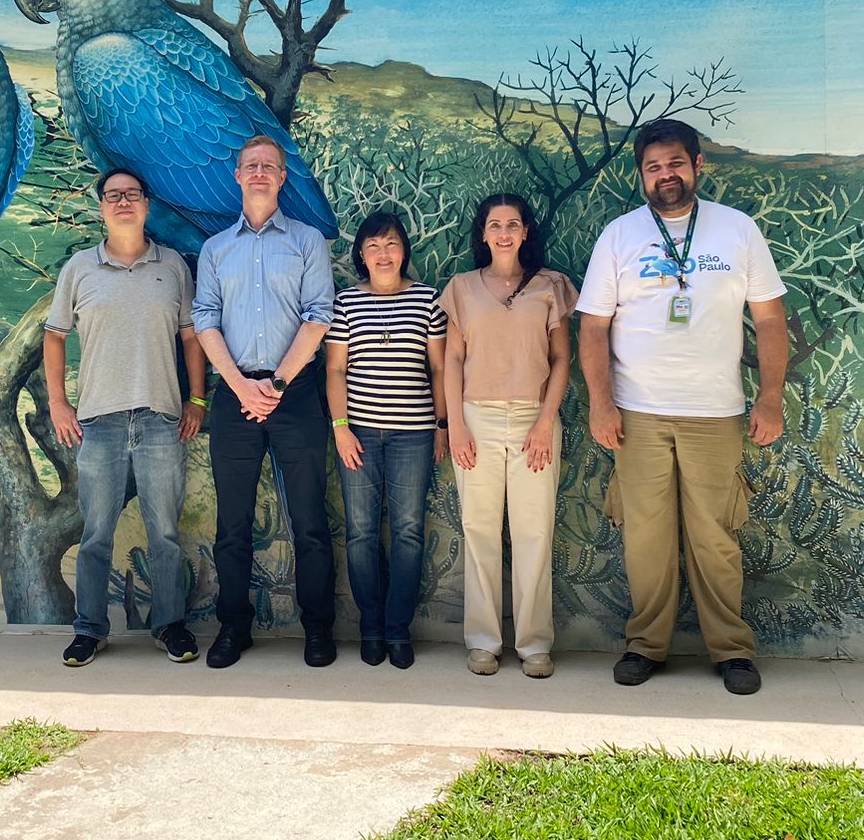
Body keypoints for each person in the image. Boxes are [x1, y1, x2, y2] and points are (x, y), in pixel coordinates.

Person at [576, 118, 787, 696]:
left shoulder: (738, 230)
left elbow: (770, 319)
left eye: (674, 163)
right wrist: (601, 403)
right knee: (645, 537)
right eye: (653, 167)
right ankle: (646, 644)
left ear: (697, 165)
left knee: (715, 535)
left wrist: (770, 397)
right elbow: (592, 327)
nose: (664, 175)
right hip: (637, 412)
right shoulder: (619, 235)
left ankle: (732, 650)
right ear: (641, 175)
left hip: (715, 411)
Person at [46, 168, 207, 667]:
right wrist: (57, 402)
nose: (123, 202)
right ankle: (89, 629)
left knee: (165, 533)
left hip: (161, 418)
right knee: (96, 533)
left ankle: (169, 625)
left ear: (146, 205)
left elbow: (191, 337)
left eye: (132, 194)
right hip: (99, 420)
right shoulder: (79, 268)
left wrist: (197, 399)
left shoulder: (173, 266)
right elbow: (55, 335)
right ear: (101, 207)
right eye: (113, 195)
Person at [192, 135, 337, 668]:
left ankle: (318, 628)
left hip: (294, 393)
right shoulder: (215, 249)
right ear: (237, 176)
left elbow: (319, 315)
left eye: (268, 166)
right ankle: (234, 627)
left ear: (281, 177)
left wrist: (275, 385)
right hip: (234, 395)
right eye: (250, 165)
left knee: (310, 521)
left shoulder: (306, 241)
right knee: (232, 525)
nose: (258, 172)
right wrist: (238, 384)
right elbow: (204, 317)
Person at [443, 193, 576, 678]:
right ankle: (483, 641)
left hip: (532, 421)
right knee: (478, 529)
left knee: (534, 531)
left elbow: (561, 359)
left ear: (525, 232)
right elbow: (452, 359)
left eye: (512, 224)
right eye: (495, 225)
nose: (503, 233)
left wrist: (544, 421)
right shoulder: (461, 288)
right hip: (475, 418)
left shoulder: (550, 286)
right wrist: (456, 425)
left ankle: (534, 643)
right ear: (483, 234)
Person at [326, 212, 448, 671]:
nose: (383, 253)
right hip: (357, 434)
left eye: (391, 243)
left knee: (408, 531)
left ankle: (398, 629)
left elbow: (439, 368)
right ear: (361, 254)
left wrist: (442, 425)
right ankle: (371, 627)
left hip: (413, 435)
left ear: (404, 250)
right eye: (373, 245)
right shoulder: (345, 303)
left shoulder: (428, 300)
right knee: (360, 532)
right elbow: (335, 369)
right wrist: (340, 428)